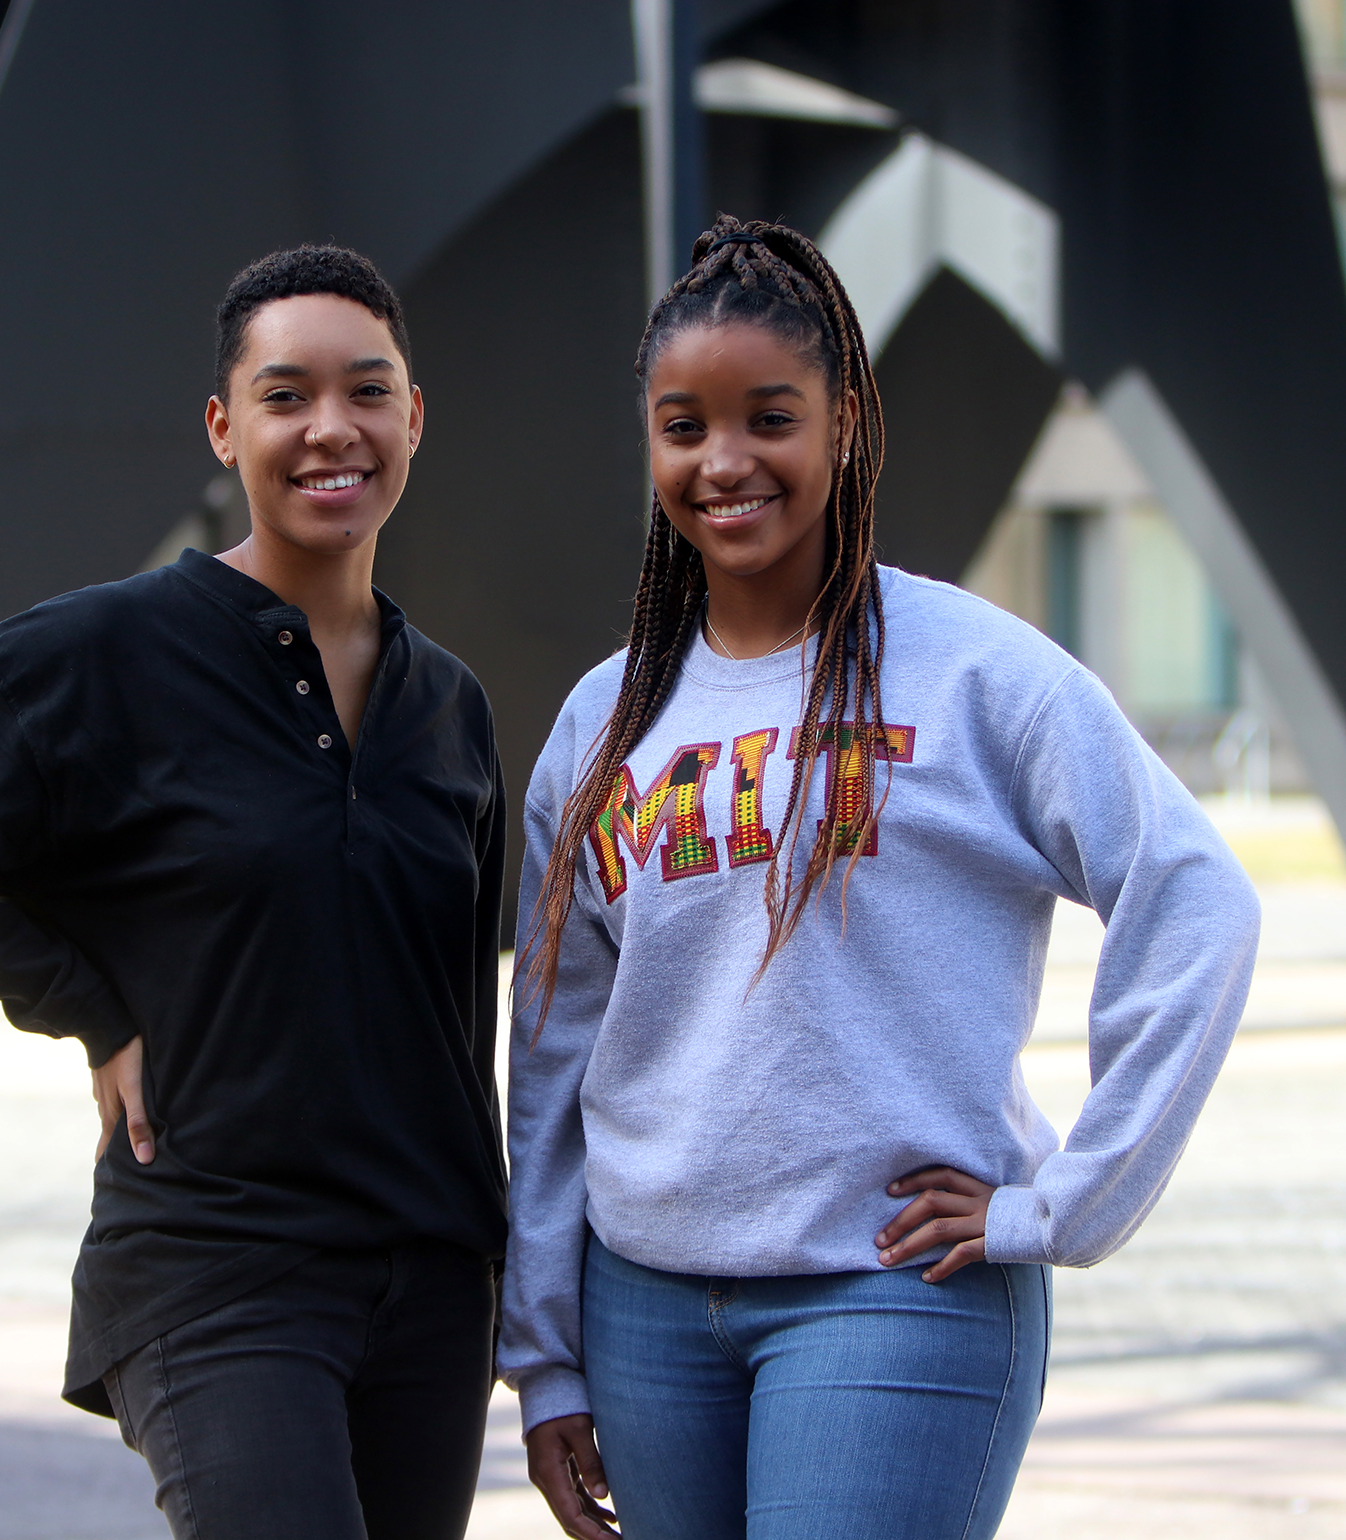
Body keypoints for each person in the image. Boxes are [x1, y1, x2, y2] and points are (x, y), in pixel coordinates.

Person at [500, 217, 1261, 1540]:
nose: (723, 461)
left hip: (891, 1288)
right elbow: (554, 1056)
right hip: (645, 1309)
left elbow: (1193, 900)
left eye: (768, 417)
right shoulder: (601, 724)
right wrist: (546, 1353)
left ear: (843, 422)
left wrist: (1065, 1201)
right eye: (683, 426)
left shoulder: (972, 671)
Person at [0, 245, 507, 1540]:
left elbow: (464, 1014)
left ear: (413, 417)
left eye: (366, 391)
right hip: (218, 1263)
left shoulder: (446, 705)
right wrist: (79, 999)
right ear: (225, 429)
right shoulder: (96, 656)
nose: (330, 428)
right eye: (286, 396)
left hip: (431, 1286)